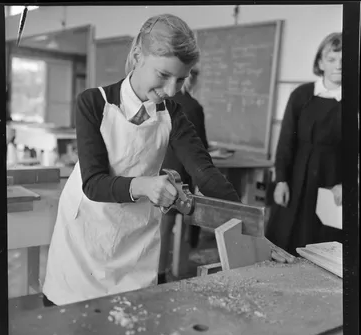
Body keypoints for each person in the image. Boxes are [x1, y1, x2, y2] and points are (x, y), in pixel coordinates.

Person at [42, 14, 294, 307]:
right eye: (163, 75)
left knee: (132, 323)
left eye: (182, 79)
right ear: (138, 56)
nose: (172, 90)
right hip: (86, 234)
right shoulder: (93, 103)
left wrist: (255, 234)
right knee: (73, 324)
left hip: (135, 239)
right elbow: (94, 183)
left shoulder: (172, 114)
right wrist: (145, 185)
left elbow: (207, 174)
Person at [265, 32, 342, 255]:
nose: (338, 66)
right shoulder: (302, 94)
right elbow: (286, 140)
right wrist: (281, 180)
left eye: (345, 59)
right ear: (320, 62)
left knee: (322, 248)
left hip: (331, 184)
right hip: (295, 178)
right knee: (281, 242)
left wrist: (347, 184)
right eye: (332, 59)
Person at [158, 66, 208, 283]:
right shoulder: (192, 106)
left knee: (161, 227)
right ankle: (168, 272)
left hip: (156, 171)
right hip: (178, 175)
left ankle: (158, 272)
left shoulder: (157, 100)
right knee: (172, 225)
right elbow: (201, 149)